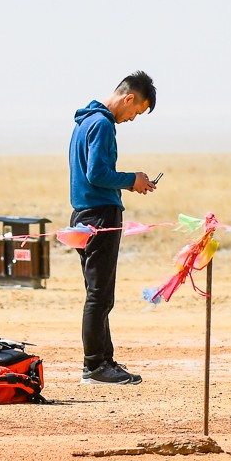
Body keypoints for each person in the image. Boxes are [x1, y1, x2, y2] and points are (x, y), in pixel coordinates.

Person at [69, 71, 159, 385]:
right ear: (129, 98)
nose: (132, 118)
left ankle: (104, 361)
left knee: (100, 294)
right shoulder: (102, 124)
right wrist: (132, 180)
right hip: (100, 217)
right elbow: (97, 174)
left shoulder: (85, 121)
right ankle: (94, 367)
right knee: (100, 295)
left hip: (83, 215)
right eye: (136, 112)